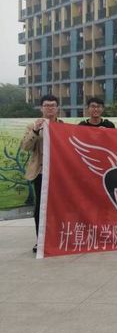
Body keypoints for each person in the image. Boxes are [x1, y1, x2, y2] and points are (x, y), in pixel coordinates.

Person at [21, 95, 63, 252]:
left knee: (59, 206)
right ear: (41, 108)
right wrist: (35, 131)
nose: (50, 108)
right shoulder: (33, 125)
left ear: (57, 108)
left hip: (60, 173)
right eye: (47, 105)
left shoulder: (63, 126)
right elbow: (25, 146)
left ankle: (59, 237)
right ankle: (41, 239)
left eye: (53, 105)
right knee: (41, 206)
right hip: (40, 173)